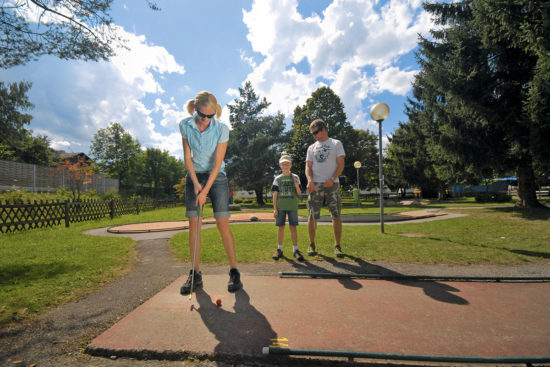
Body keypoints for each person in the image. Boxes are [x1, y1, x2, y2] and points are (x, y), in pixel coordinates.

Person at [178, 91, 242, 294]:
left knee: (222, 223)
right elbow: (188, 157)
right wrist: (196, 183)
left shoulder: (222, 129)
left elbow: (217, 164)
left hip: (217, 178)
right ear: (195, 109)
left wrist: (205, 190)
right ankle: (195, 275)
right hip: (194, 176)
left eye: (210, 116)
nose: (206, 120)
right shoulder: (185, 125)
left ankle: (234, 272)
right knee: (194, 226)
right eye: (203, 115)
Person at [305, 119, 346, 257]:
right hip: (315, 185)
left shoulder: (336, 143)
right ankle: (311, 245)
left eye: (316, 132)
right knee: (312, 216)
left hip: (332, 184)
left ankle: (337, 246)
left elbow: (340, 165)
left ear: (323, 129)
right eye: (312, 133)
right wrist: (310, 180)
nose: (314, 135)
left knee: (336, 215)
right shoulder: (311, 147)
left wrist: (332, 179)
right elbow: (308, 167)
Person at [271, 153, 304, 261]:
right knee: (281, 228)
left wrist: (295, 184)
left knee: (293, 228)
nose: (285, 166)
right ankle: (279, 249)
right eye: (283, 164)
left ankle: (295, 250)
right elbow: (275, 194)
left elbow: (299, 193)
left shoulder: (295, 177)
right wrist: (275, 208)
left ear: (291, 165)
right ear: (280, 165)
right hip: (281, 207)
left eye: (287, 164)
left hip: (292, 206)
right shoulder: (277, 178)